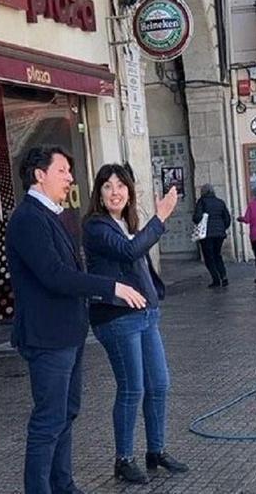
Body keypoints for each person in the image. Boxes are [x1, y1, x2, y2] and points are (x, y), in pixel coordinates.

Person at [5, 147, 147, 494]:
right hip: (46, 337)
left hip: (69, 333)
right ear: (40, 175)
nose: (70, 178)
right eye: (63, 170)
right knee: (48, 420)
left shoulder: (56, 215)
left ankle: (63, 484)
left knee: (66, 413)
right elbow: (55, 275)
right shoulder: (28, 219)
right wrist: (111, 287)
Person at [82, 165, 188, 484]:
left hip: (145, 315)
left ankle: (156, 451)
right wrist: (161, 218)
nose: (115, 191)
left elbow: (136, 254)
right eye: (108, 186)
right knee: (132, 388)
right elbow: (129, 252)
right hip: (116, 317)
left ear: (129, 191)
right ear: (99, 194)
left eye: (121, 186)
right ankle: (123, 459)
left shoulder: (125, 223)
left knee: (159, 384)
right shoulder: (96, 226)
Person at [193, 183, 232, 288]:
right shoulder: (220, 202)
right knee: (217, 255)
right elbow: (227, 218)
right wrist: (222, 228)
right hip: (219, 234)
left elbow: (196, 218)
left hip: (207, 234)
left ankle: (216, 279)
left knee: (209, 257)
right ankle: (223, 276)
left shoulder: (202, 202)